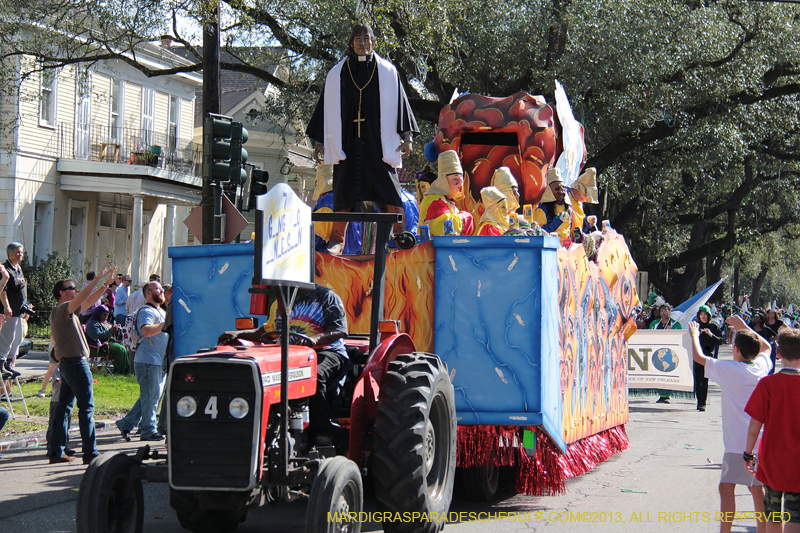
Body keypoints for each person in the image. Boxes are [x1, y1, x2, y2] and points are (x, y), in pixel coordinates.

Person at [306, 23, 419, 247]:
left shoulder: (387, 72)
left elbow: (400, 104)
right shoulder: (337, 73)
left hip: (378, 144)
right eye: (358, 39)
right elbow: (326, 108)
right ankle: (337, 239)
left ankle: (400, 235)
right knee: (344, 190)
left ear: (373, 42)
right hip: (348, 143)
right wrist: (320, 141)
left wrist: (407, 138)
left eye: (366, 39)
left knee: (390, 190)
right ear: (351, 43)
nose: (362, 43)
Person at [220, 284, 348, 446]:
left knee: (314, 374)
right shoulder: (280, 303)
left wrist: (314, 339)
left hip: (325, 351)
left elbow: (339, 330)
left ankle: (320, 433)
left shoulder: (326, 297)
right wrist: (238, 334)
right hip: (288, 353)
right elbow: (267, 331)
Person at [689, 316, 771, 533]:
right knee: (756, 490)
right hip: (759, 441)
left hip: (737, 445)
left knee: (726, 487)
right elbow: (767, 347)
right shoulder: (760, 367)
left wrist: (694, 335)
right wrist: (745, 327)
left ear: (735, 350)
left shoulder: (729, 370)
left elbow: (698, 357)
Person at [47, 260, 117, 464]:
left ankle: (56, 452)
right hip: (76, 364)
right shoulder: (62, 309)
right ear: (62, 293)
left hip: (69, 364)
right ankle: (90, 452)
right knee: (86, 408)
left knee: (64, 408)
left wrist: (105, 286)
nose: (76, 290)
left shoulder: (67, 311)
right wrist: (98, 278)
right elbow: (83, 297)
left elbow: (88, 301)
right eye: (72, 288)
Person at [744, 327, 800, 533]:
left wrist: (748, 453)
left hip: (772, 459)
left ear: (778, 353)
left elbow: (754, 426)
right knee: (795, 514)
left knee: (773, 512)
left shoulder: (767, 384)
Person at [116, 281, 168, 442]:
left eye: (162, 289)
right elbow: (145, 331)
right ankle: (148, 430)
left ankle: (126, 423)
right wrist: (165, 324)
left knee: (150, 396)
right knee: (151, 397)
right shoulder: (147, 311)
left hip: (157, 361)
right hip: (147, 361)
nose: (162, 291)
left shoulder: (161, 311)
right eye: (158, 289)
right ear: (148, 293)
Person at [419, 150, 474, 236]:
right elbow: (444, 227)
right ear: (444, 181)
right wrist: (466, 217)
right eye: (456, 180)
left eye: (461, 181)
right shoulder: (433, 199)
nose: (460, 184)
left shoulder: (448, 202)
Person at [533, 168, 597, 243]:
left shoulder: (568, 208)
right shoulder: (542, 209)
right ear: (550, 191)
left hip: (566, 248)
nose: (561, 191)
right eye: (557, 189)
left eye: (563, 188)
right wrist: (556, 223)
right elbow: (537, 234)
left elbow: (574, 231)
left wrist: (587, 222)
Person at [0, 243, 28, 385]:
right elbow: (3, 290)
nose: (20, 255)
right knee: (8, 337)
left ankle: (10, 363)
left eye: (21, 252)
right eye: (17, 252)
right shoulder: (5, 269)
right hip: (9, 312)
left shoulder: (18, 269)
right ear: (9, 253)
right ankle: (2, 362)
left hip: (19, 311)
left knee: (17, 339)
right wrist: (6, 306)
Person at [649, 302, 681, 404]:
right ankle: (661, 394)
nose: (663, 314)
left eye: (665, 311)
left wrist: (672, 331)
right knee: (659, 372)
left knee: (668, 372)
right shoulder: (654, 324)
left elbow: (679, 336)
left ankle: (666, 395)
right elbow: (649, 334)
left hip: (669, 353)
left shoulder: (675, 324)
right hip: (657, 352)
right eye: (661, 312)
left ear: (669, 312)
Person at [694, 305, 723, 411]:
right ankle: (699, 401)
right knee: (698, 380)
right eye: (701, 314)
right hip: (697, 355)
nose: (703, 316)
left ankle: (703, 403)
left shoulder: (713, 326)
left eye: (705, 314)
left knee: (704, 380)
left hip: (708, 356)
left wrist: (711, 335)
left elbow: (720, 341)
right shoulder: (696, 326)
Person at [85, 305, 130, 374]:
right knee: (120, 349)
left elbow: (113, 336)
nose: (106, 316)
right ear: (98, 313)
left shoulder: (106, 323)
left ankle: (128, 371)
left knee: (127, 348)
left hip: (108, 344)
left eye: (108, 314)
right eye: (104, 314)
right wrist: (111, 330)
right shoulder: (92, 324)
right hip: (98, 347)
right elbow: (96, 336)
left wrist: (117, 330)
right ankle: (119, 372)